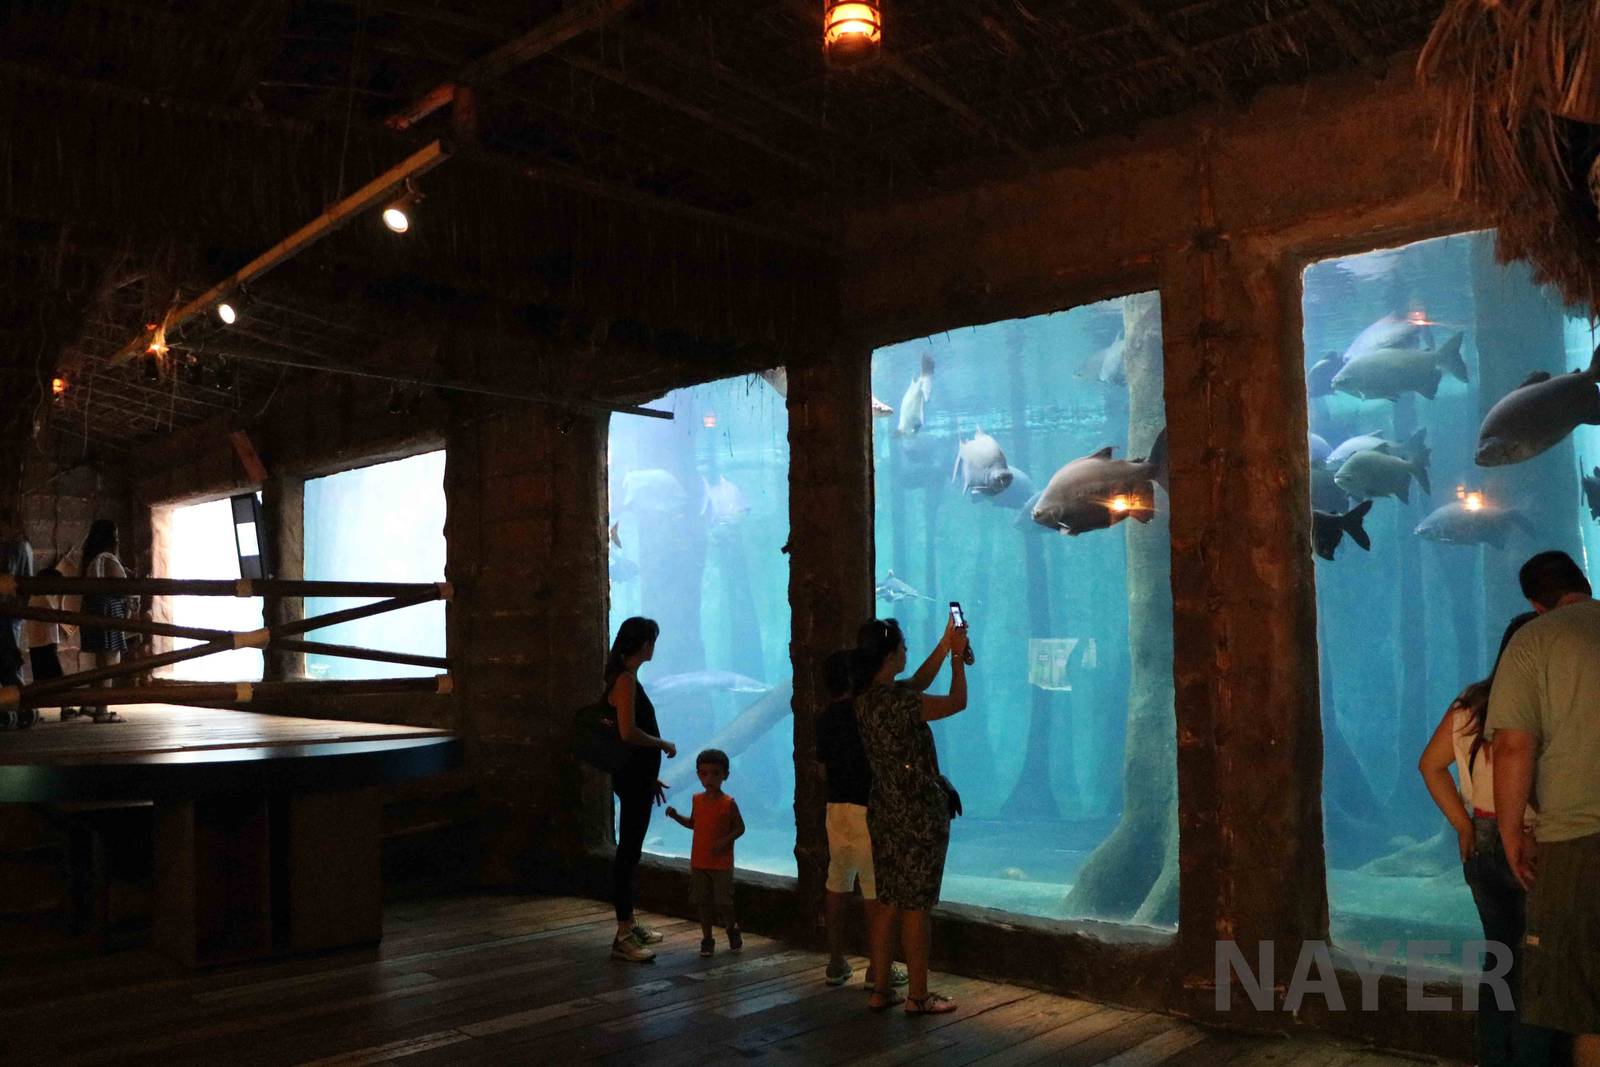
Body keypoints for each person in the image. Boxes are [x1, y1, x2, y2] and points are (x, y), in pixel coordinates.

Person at [1418, 612, 1553, 1067]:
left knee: (1500, 958)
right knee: (1540, 966)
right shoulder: (1544, 709)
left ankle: (1494, 1056)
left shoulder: (1471, 704)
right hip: (1533, 840)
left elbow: (1430, 765)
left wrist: (1464, 825)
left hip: (1482, 841)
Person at [1488, 550, 1600, 1066]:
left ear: (1536, 603)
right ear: (1584, 582)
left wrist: (1511, 833)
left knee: (1583, 1000)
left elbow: (1513, 745)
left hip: (1578, 839)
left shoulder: (1534, 640)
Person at [851, 615, 967, 1015]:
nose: (906, 652)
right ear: (888, 656)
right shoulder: (899, 703)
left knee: (888, 902)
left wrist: (946, 641)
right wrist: (956, 661)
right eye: (902, 648)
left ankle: (880, 989)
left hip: (884, 810)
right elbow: (956, 702)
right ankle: (918, 995)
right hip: (917, 814)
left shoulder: (869, 698)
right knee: (917, 906)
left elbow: (917, 681)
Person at [815, 648, 907, 990]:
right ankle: (876, 968)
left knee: (837, 881)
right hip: (867, 808)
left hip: (835, 808)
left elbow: (822, 768)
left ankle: (836, 962)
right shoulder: (864, 713)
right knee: (875, 889)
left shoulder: (824, 718)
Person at [605, 616, 677, 963]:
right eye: (652, 640)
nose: (654, 646)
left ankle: (630, 923)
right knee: (627, 854)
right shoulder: (625, 680)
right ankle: (622, 935)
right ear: (642, 644)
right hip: (632, 779)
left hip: (637, 778)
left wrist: (650, 777)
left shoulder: (626, 677)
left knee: (631, 852)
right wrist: (662, 743)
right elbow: (628, 732)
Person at [664, 749, 744, 958]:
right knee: (703, 902)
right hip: (699, 861)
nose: (710, 778)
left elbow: (740, 828)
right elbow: (693, 824)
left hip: (721, 863)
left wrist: (724, 841)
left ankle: (732, 928)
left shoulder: (729, 803)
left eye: (716, 774)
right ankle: (707, 939)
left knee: (724, 902)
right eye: (705, 773)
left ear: (725, 775)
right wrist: (675, 816)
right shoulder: (697, 800)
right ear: (698, 774)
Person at [77, 519, 136, 681]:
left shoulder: (91, 559)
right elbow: (122, 587)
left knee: (101, 663)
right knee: (110, 664)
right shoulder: (107, 559)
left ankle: (94, 706)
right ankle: (102, 705)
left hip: (95, 610)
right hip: (109, 612)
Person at [25, 565, 76, 720]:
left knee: (40, 678)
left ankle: (34, 710)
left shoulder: (35, 597)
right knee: (58, 679)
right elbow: (57, 617)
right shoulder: (44, 599)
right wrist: (61, 600)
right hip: (46, 643)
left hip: (36, 643)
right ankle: (65, 708)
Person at [0, 523, 34, 729]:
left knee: (6, 658)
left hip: (5, 611)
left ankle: (15, 703)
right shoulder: (24, 546)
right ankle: (21, 703)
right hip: (14, 611)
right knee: (9, 658)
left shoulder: (12, 548)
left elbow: (8, 575)